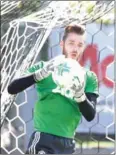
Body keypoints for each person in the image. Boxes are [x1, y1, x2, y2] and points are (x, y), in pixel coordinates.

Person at [8, 24, 99, 154]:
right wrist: (37, 75)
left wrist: (80, 95)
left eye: (80, 45)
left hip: (68, 144)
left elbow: (90, 115)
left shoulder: (88, 77)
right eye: (71, 43)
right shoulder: (45, 68)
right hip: (44, 140)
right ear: (62, 44)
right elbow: (12, 88)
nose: (75, 48)